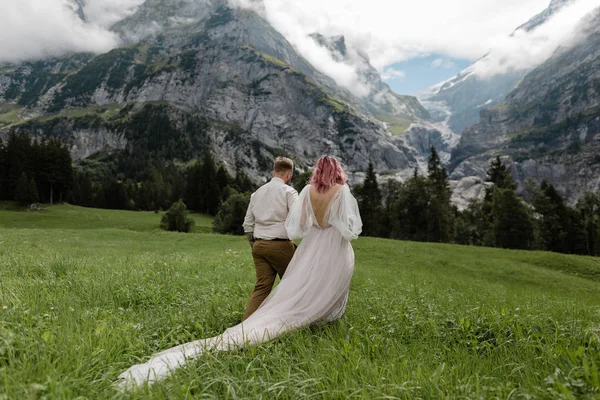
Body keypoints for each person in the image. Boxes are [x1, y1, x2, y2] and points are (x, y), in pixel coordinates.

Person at [117, 155, 362, 388]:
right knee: (313, 282)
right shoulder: (334, 191)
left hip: (271, 244)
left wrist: (254, 243)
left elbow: (297, 224)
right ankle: (316, 318)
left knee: (268, 286)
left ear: (317, 170)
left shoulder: (300, 192)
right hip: (321, 244)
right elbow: (348, 228)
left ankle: (251, 323)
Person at [242, 157, 298, 320]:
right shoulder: (289, 192)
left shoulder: (256, 193)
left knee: (261, 288)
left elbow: (247, 224)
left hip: (259, 246)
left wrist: (254, 244)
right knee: (294, 284)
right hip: (280, 245)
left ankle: (243, 330)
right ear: (289, 175)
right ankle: (289, 322)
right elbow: (297, 217)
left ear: (274, 172)